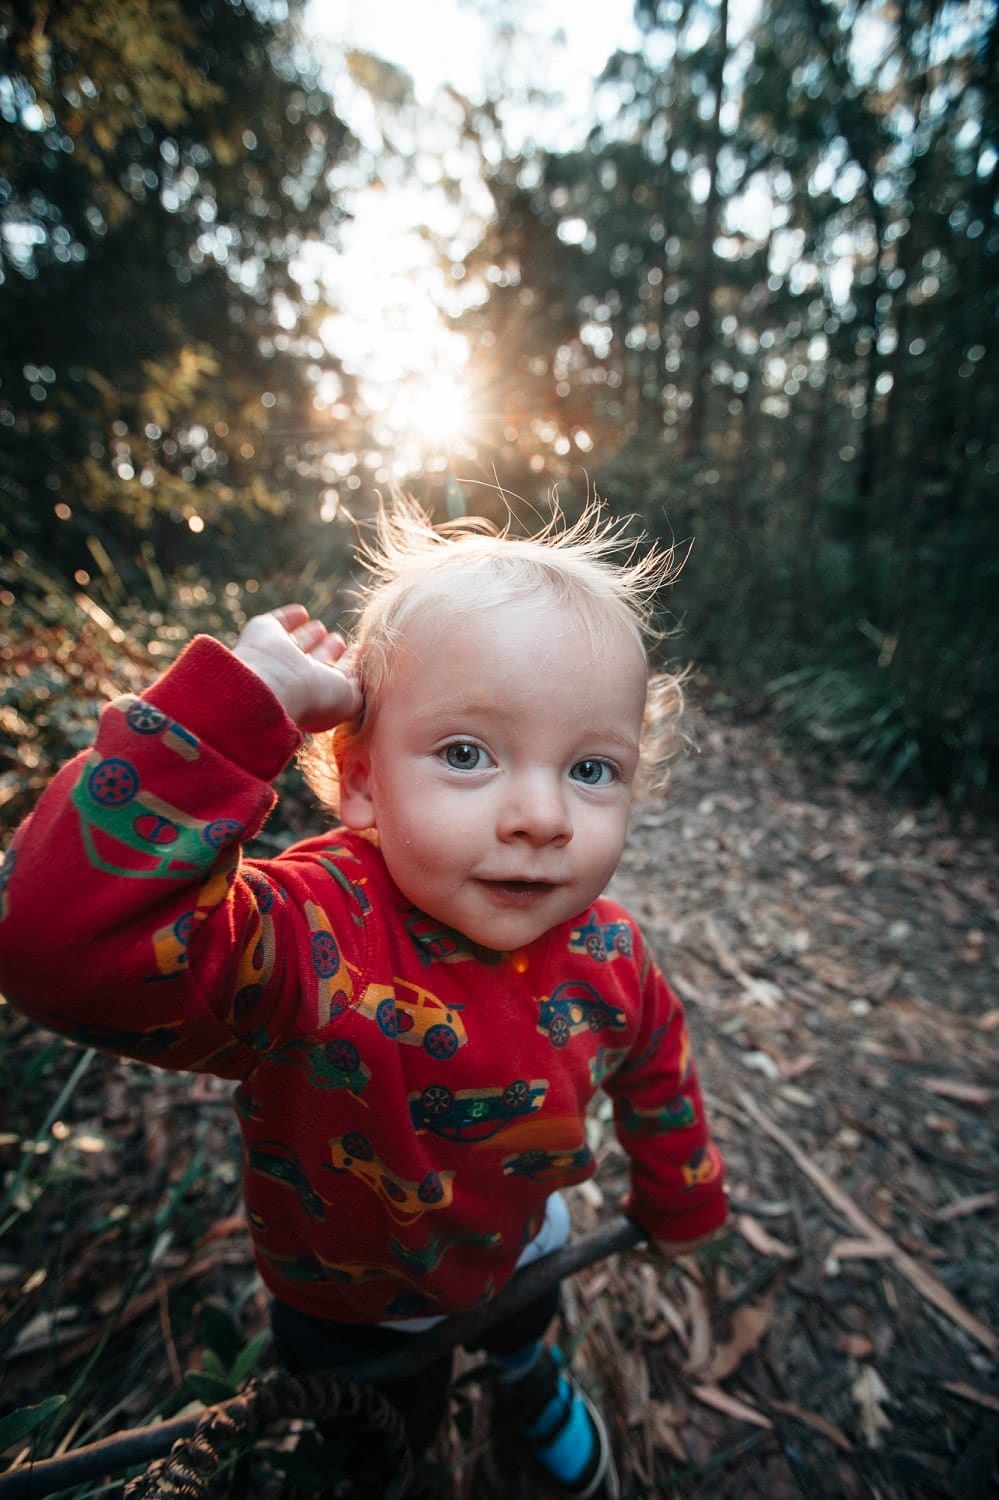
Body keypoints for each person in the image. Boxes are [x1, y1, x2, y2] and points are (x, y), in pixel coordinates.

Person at [0, 500, 727, 1500]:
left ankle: (527, 1375)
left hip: (524, 1240)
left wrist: (680, 1189)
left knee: (522, 1321)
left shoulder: (607, 945)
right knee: (385, 1432)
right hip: (351, 1304)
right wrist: (226, 714)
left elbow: (656, 1060)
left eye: (591, 768)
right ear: (363, 783)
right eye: (467, 754)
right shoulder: (311, 934)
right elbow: (58, 948)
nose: (542, 817)